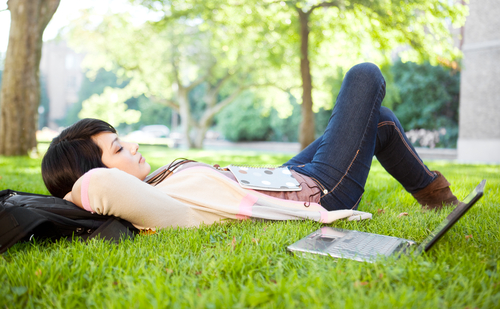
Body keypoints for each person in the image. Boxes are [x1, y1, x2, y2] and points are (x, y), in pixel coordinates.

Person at [41, 63, 459, 230]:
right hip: (319, 190)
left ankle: (437, 199)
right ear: (104, 171)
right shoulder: (155, 206)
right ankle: (437, 197)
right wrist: (71, 188)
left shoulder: (154, 181)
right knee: (364, 77)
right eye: (117, 148)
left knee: (381, 122)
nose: (130, 145)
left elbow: (102, 177)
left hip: (284, 174)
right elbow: (98, 184)